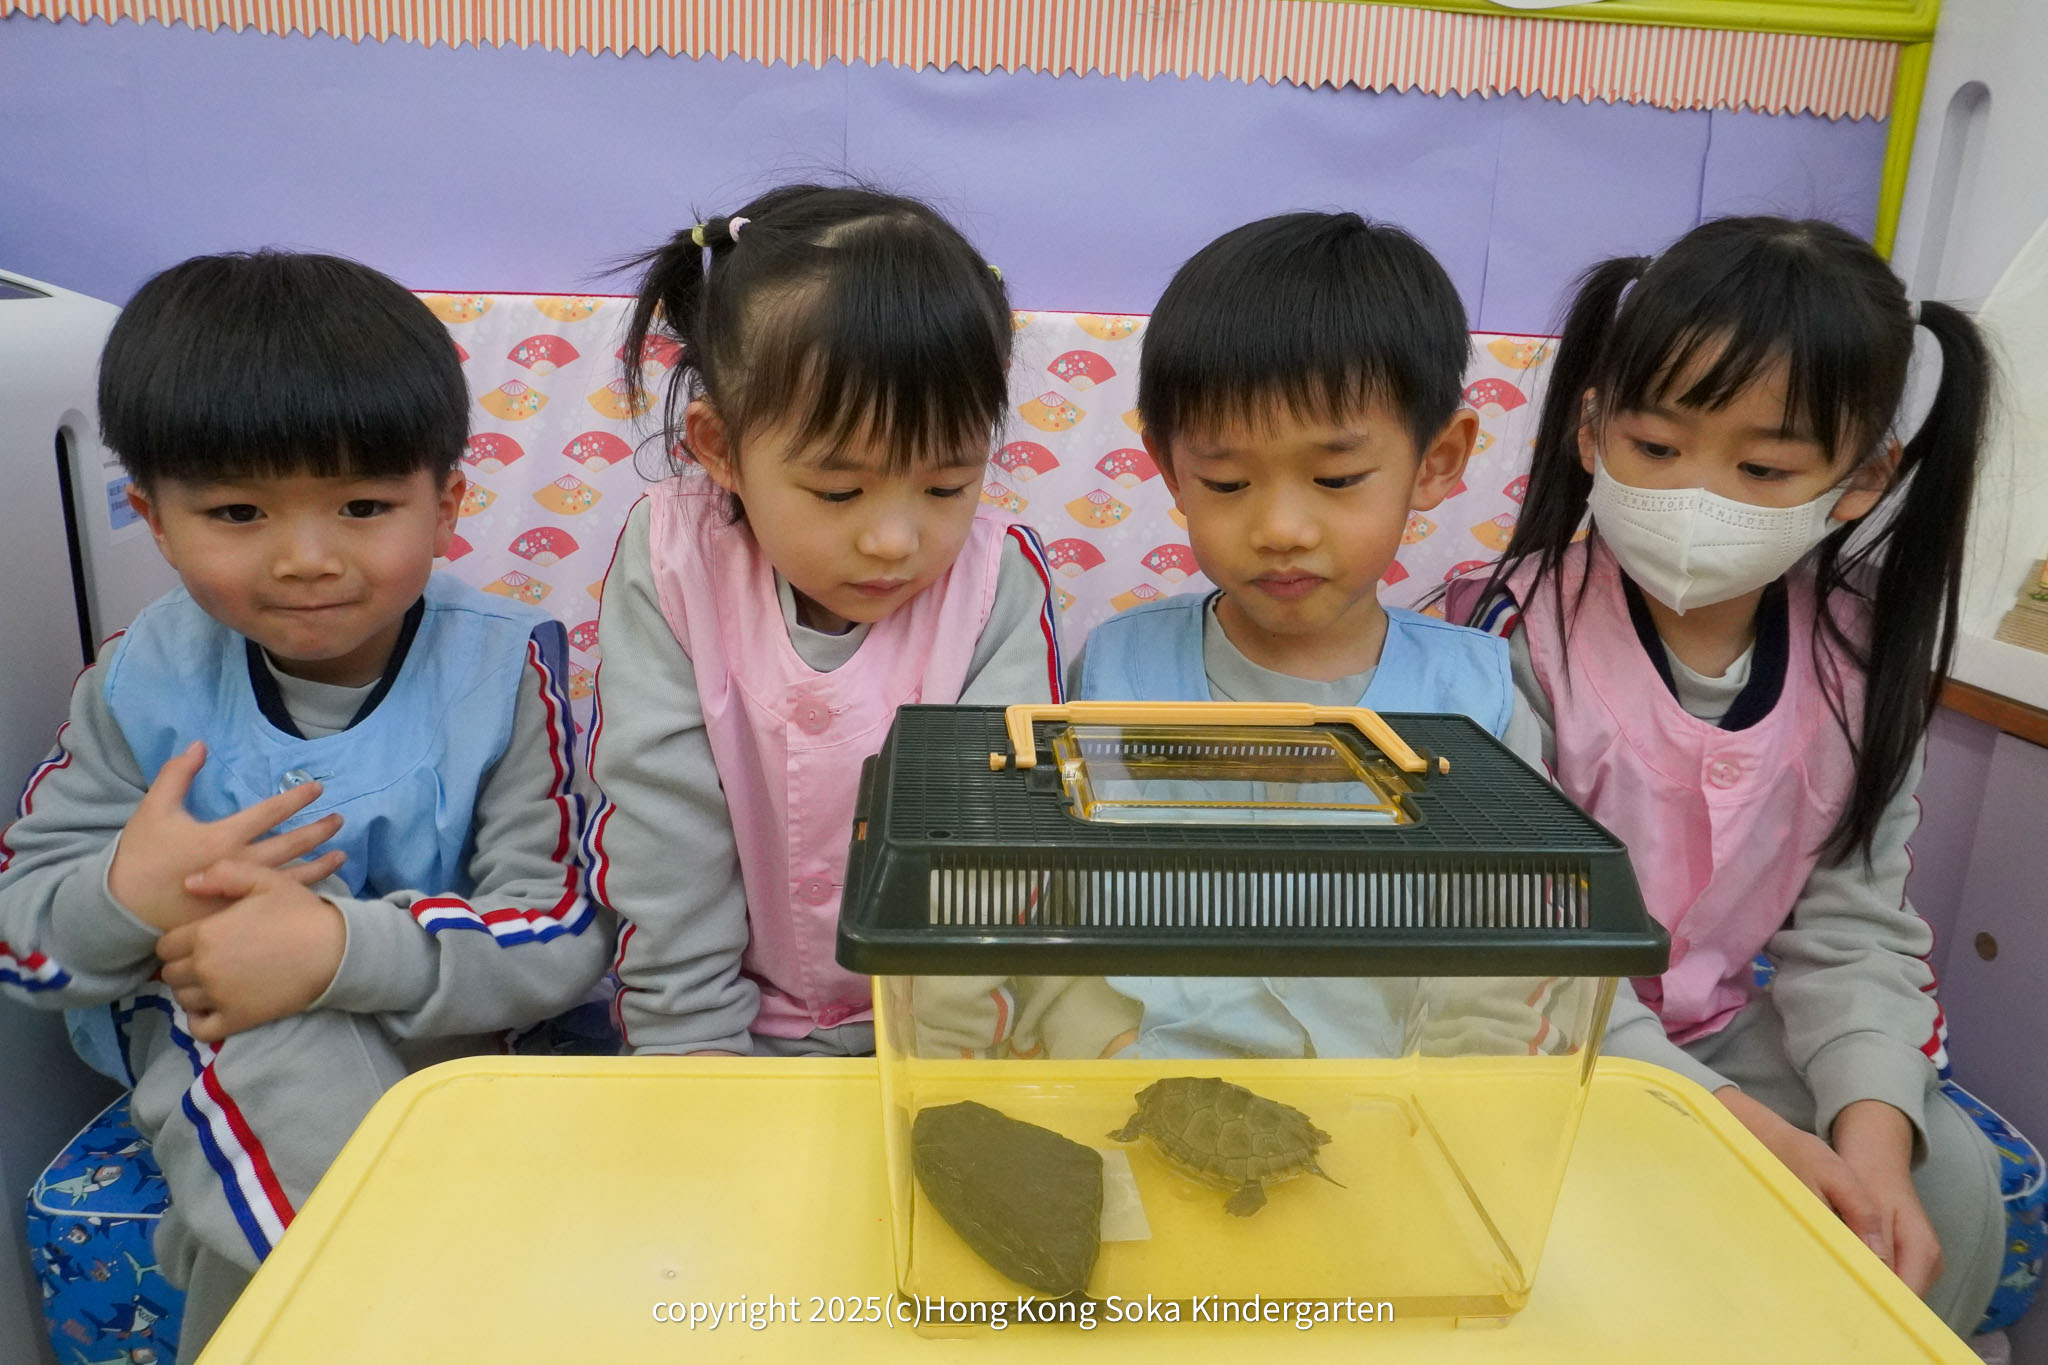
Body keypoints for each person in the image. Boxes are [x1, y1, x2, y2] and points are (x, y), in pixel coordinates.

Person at [0, 250, 610, 1358]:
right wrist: (126, 894)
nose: (307, 559)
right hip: (218, 1033)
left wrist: (336, 949)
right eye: (238, 511)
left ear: (447, 505)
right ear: (154, 519)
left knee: (247, 1220)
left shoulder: (505, 669)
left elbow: (562, 931)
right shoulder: (141, 682)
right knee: (261, 1030)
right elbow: (23, 944)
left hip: (436, 1035)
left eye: (364, 505)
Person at [1445, 215, 2005, 1334]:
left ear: (1861, 479)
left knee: (1945, 1183)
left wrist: (1870, 1144)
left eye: (1761, 468)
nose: (1696, 496)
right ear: (1590, 431)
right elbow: (1518, 948)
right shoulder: (1499, 636)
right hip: (1532, 1032)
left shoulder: (1858, 662)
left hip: (1723, 1032)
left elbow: (1853, 933)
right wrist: (1738, 1131)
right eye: (1655, 448)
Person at [589, 184, 1119, 1059]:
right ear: (720, 448)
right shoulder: (673, 562)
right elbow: (664, 834)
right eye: (839, 490)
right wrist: (694, 1057)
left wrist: (938, 1063)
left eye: (947, 485)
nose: (894, 540)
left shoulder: (996, 584)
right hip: (727, 1025)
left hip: (947, 1024)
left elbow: (990, 851)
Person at [1071, 210, 1570, 1062]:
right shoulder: (1114, 671)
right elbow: (1057, 921)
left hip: (1394, 1109)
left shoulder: (1477, 701)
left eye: (1336, 478)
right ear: (1169, 469)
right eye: (1226, 482)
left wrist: (1449, 1088)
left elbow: (1518, 957)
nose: (1281, 529)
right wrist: (1103, 1051)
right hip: (1146, 1097)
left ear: (1438, 460)